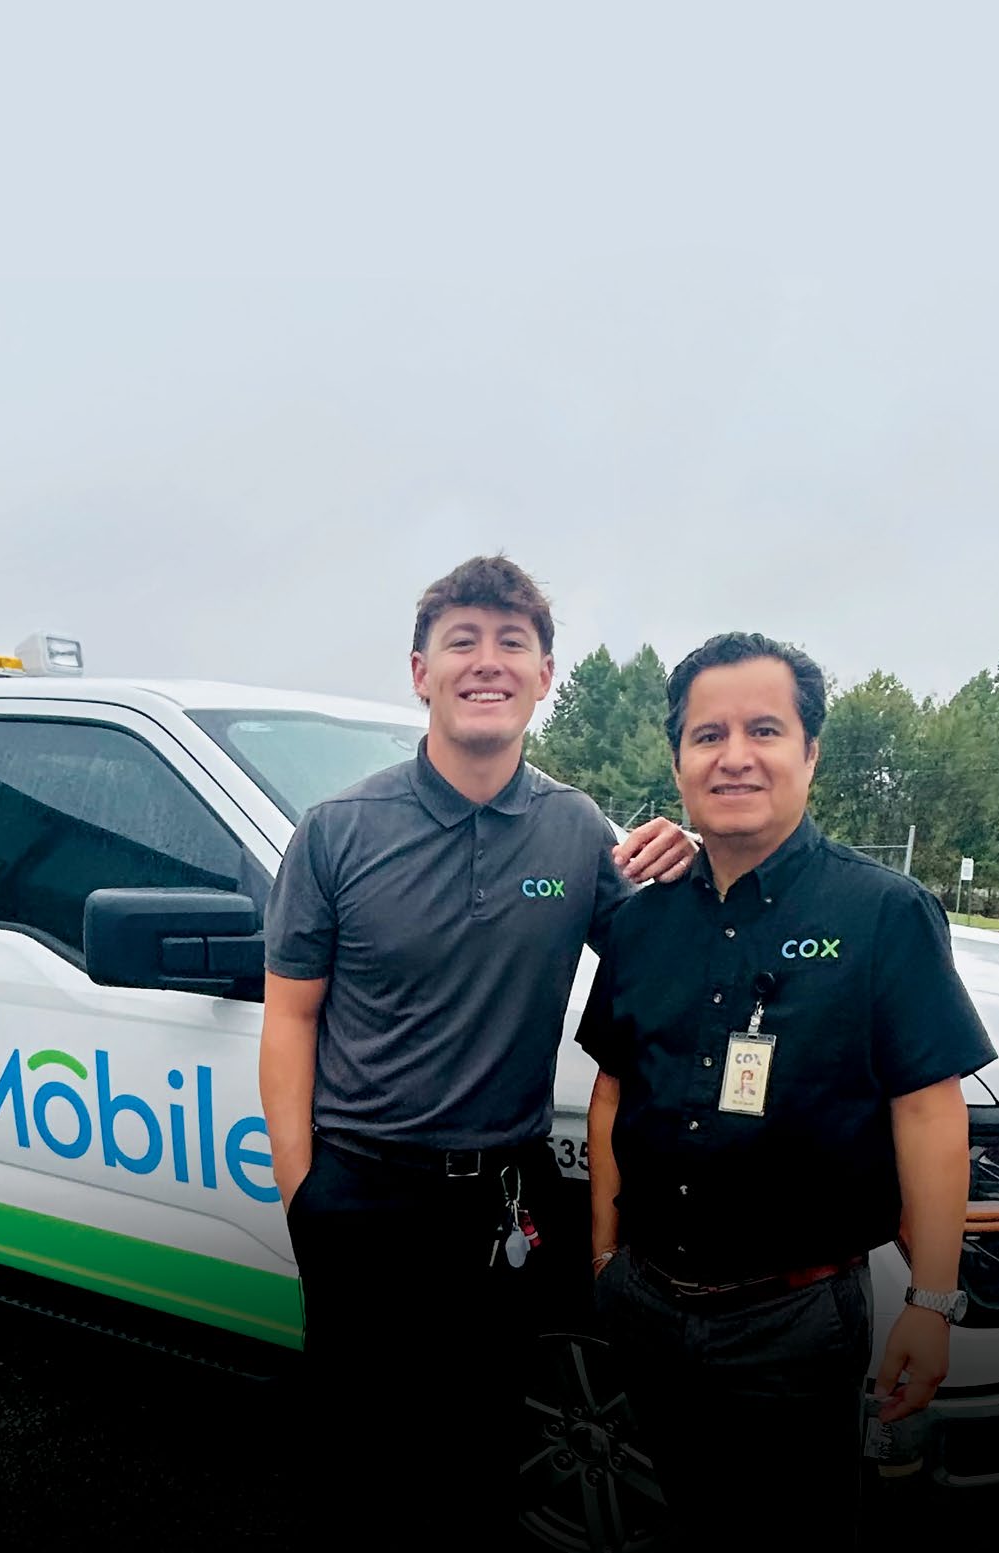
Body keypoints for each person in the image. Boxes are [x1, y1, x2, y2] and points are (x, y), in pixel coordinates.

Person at [259, 555, 694, 1543]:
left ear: (544, 676)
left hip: (506, 1196)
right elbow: (289, 1019)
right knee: (360, 1455)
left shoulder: (575, 828)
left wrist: (697, 857)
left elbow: (676, 962)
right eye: (462, 640)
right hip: (363, 1193)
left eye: (512, 642)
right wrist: (304, 1193)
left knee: (484, 1450)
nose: (485, 661)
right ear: (420, 671)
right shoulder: (336, 832)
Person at [579, 631, 997, 1547]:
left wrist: (931, 1305)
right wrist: (607, 1259)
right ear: (678, 759)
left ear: (809, 751)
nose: (734, 755)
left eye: (763, 729)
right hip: (646, 1300)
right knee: (689, 1516)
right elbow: (613, 1087)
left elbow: (929, 1112)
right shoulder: (641, 922)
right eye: (706, 734)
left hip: (794, 1320)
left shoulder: (883, 913)